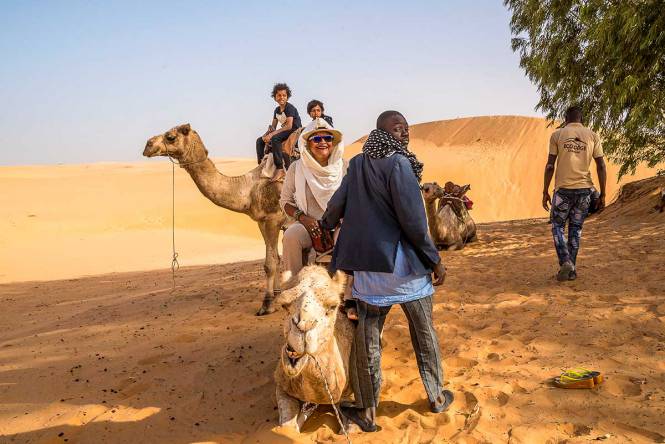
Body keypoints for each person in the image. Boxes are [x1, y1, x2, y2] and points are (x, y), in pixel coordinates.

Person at [321, 110, 452, 432]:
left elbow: (338, 202)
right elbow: (413, 219)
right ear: (383, 132)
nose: (405, 132)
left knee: (369, 342)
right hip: (404, 268)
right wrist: (434, 258)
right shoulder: (400, 163)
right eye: (398, 128)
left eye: (406, 127)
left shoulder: (358, 164)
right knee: (424, 334)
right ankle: (436, 397)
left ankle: (366, 412)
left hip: (370, 272)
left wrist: (325, 225)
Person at [543, 105, 607, 281]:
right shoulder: (593, 135)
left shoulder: (557, 135)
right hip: (584, 192)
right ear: (582, 119)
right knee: (575, 230)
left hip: (563, 191)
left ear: (565, 118)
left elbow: (550, 166)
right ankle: (571, 270)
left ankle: (565, 261)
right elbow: (601, 165)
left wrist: (544, 191)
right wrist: (603, 194)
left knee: (557, 226)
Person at [279, 119, 346, 277]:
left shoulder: (345, 166)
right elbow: (285, 201)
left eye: (327, 138)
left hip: (341, 224)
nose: (323, 142)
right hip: (309, 224)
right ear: (307, 143)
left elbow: (356, 200)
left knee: (349, 236)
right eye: (316, 139)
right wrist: (304, 219)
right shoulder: (296, 168)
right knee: (290, 237)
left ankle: (350, 296)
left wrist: (343, 221)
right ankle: (292, 287)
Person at [256, 83, 302, 182]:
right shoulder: (277, 110)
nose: (281, 97)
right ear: (275, 97)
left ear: (287, 97)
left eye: (284, 95)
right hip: (284, 130)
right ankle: (261, 165)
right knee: (259, 141)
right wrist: (266, 134)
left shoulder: (289, 108)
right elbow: (273, 126)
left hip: (294, 131)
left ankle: (280, 168)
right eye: (279, 95)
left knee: (275, 138)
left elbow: (289, 126)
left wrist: (272, 134)